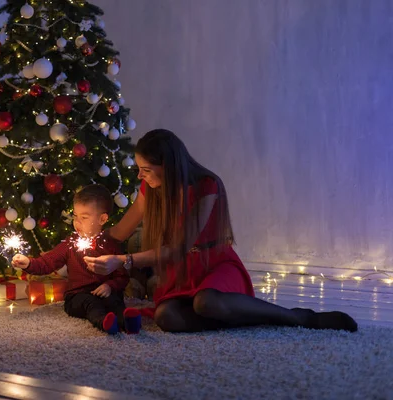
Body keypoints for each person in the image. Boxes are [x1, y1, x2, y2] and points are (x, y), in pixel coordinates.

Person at [83, 129, 358, 333]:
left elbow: (179, 247)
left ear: (168, 166)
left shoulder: (207, 186)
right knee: (166, 318)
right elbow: (121, 230)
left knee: (206, 302)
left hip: (213, 265)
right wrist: (89, 237)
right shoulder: (150, 190)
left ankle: (299, 317)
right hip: (180, 273)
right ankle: (237, 317)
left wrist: (125, 260)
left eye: (146, 169)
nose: (140, 176)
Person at [12, 184, 142, 335]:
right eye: (75, 216)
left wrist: (109, 286)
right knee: (91, 304)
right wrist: (28, 263)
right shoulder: (70, 244)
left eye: (84, 217)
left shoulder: (110, 246)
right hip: (78, 296)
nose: (77, 222)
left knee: (115, 302)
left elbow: (122, 276)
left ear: (102, 219)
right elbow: (48, 262)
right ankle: (105, 323)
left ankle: (128, 323)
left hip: (106, 293)